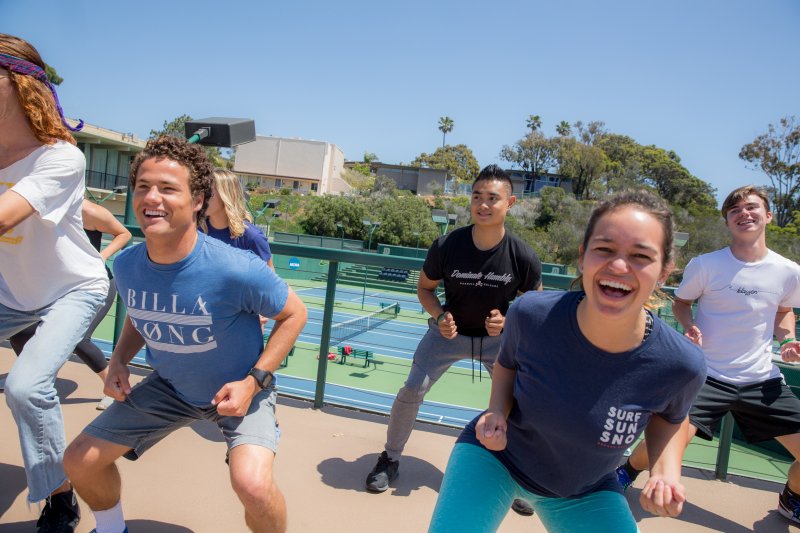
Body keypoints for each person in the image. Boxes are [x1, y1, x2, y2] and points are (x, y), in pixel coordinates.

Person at [62, 135, 307, 533]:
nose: (151, 197)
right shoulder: (126, 266)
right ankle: (111, 529)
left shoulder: (236, 267)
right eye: (143, 186)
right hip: (170, 388)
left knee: (254, 486)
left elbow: (294, 314)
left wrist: (254, 381)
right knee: (78, 460)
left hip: (241, 389)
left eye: (168, 188)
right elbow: (140, 315)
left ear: (197, 201)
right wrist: (119, 360)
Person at [428, 190, 707, 532]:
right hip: (494, 459)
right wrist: (496, 412)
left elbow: (671, 418)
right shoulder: (531, 314)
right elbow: (508, 366)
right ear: (582, 256)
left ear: (665, 272)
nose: (619, 266)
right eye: (604, 249)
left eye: (640, 256)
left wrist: (665, 472)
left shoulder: (682, 363)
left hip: (586, 490)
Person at [366, 164, 543, 517]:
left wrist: (508, 323)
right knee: (411, 390)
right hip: (448, 335)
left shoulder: (522, 255)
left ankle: (520, 477)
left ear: (509, 203)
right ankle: (390, 458)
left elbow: (534, 304)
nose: (483, 204)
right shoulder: (447, 245)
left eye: (493, 198)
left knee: (521, 405)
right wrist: (439, 316)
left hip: (499, 344)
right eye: (477, 196)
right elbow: (425, 288)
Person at [617, 185, 800, 525]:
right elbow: (682, 303)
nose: (743, 213)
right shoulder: (706, 265)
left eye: (751, 207)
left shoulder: (788, 270)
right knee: (661, 447)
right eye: (735, 210)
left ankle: (792, 499)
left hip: (763, 382)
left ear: (768, 216)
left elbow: (783, 310)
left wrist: (787, 337)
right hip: (706, 376)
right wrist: (688, 326)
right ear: (728, 222)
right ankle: (626, 471)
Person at [0, 33, 108, 532]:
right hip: (11, 295)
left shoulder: (61, 158)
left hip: (73, 290)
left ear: (20, 85)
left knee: (25, 386)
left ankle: (59, 496)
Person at [6, 199, 131, 410]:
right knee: (21, 332)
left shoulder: (88, 210)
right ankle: (34, 379)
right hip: (56, 286)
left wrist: (100, 257)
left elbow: (124, 233)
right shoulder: (37, 208)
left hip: (92, 285)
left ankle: (115, 387)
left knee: (80, 338)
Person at [201, 168, 274, 269]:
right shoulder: (196, 231)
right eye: (202, 192)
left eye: (210, 193)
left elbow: (270, 282)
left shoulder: (253, 238)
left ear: (226, 196)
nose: (202, 198)